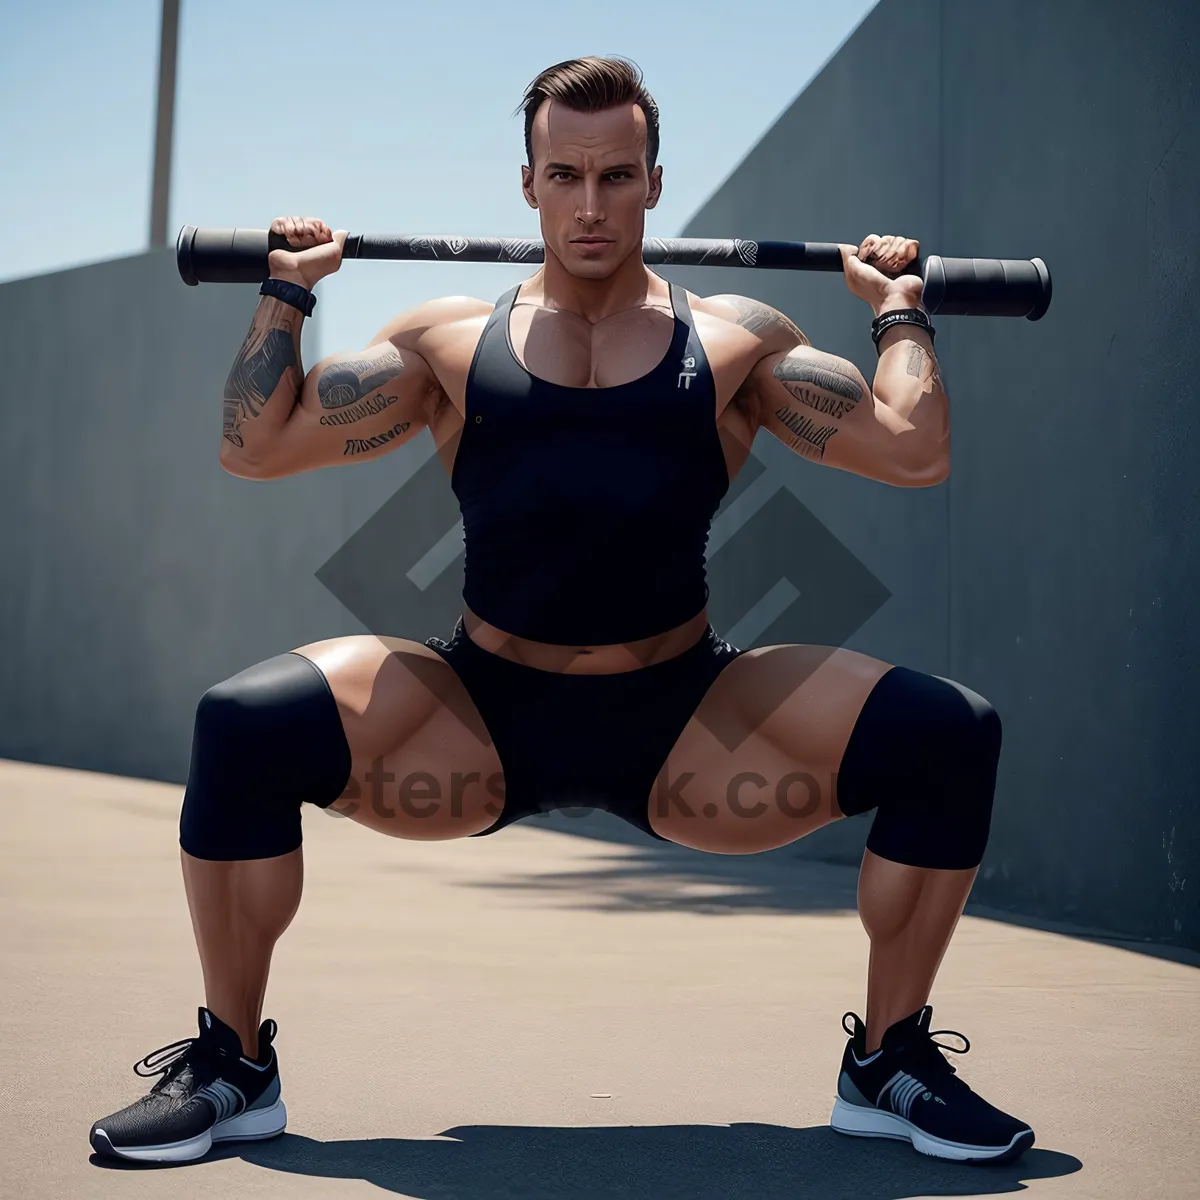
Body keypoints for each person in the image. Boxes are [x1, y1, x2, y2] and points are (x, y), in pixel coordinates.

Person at [89, 56, 1033, 1167]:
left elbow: (915, 452)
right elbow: (256, 447)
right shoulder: (447, 342)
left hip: (687, 722)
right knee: (243, 724)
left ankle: (889, 1060)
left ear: (654, 183)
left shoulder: (735, 342)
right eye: (567, 176)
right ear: (529, 184)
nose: (592, 205)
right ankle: (234, 1064)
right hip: (475, 712)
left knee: (949, 735)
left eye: (617, 177)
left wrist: (901, 314)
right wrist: (288, 291)